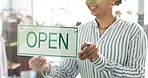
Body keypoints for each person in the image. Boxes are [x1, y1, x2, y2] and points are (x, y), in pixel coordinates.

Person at [28, 0, 148, 78]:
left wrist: (100, 61)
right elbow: (66, 73)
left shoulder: (134, 31)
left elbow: (138, 74)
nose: (89, 1)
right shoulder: (79, 31)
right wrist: (47, 67)